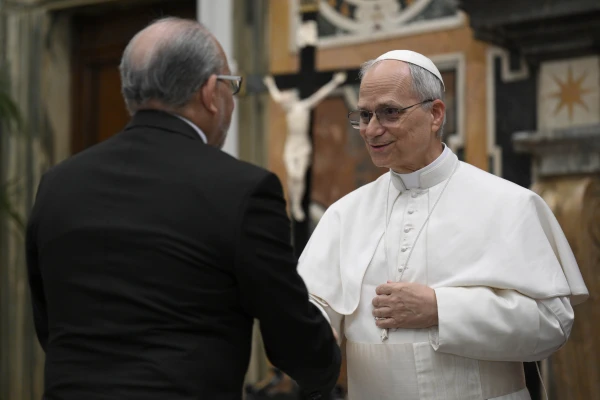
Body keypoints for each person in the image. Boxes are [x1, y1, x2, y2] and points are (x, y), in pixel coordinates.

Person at [25, 17, 340, 400]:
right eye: (230, 87)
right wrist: (326, 370)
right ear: (210, 92)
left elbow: (49, 323)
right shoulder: (241, 190)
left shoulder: (58, 183)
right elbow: (293, 339)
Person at [297, 50, 589, 400]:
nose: (372, 129)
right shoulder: (344, 215)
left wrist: (441, 309)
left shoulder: (507, 203)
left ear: (435, 114)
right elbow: (313, 304)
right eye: (364, 114)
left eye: (389, 112)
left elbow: (553, 324)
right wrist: (312, 327)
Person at [263, 72, 346, 222]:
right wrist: (270, 84)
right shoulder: (288, 109)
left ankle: (296, 205)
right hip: (291, 144)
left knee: (299, 176)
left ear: (292, 97)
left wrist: (335, 82)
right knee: (292, 175)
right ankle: (292, 201)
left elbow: (320, 94)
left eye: (286, 97)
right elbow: (276, 97)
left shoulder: (303, 106)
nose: (283, 100)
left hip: (302, 145)